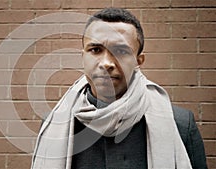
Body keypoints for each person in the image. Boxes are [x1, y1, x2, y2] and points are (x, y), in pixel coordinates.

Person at [31, 7, 207, 169]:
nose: (107, 63)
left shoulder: (180, 125)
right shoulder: (55, 124)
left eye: (121, 51)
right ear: (83, 57)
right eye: (95, 50)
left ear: (139, 61)